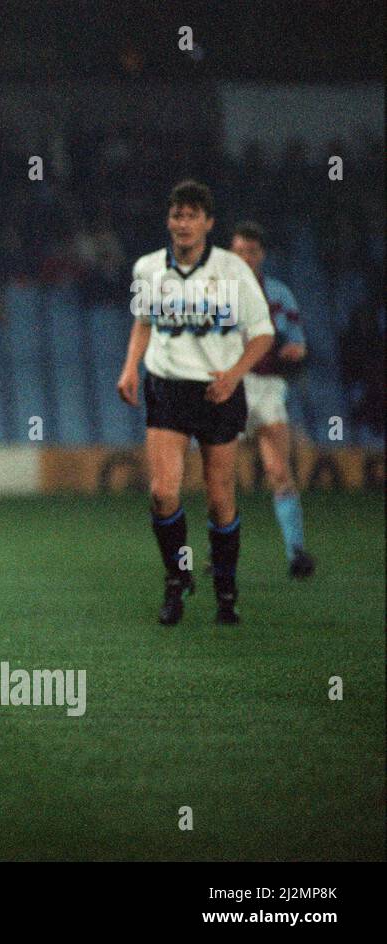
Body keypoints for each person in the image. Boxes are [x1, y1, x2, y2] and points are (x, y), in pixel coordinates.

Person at [117, 181, 275, 626]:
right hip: (167, 385)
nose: (183, 224)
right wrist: (130, 368)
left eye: (192, 216)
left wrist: (234, 375)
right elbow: (143, 322)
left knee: (220, 497)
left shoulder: (232, 270)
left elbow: (263, 334)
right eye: (176, 215)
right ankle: (177, 578)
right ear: (169, 221)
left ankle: (226, 590)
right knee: (163, 492)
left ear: (208, 223)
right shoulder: (148, 268)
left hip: (217, 391)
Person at [229, 221, 316, 578]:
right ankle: (217, 550)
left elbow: (297, 340)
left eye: (251, 251)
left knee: (279, 471)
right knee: (220, 476)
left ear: (261, 254)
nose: (246, 258)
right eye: (239, 252)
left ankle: (296, 552)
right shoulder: (217, 293)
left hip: (267, 388)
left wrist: (295, 350)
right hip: (231, 386)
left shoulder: (279, 293)